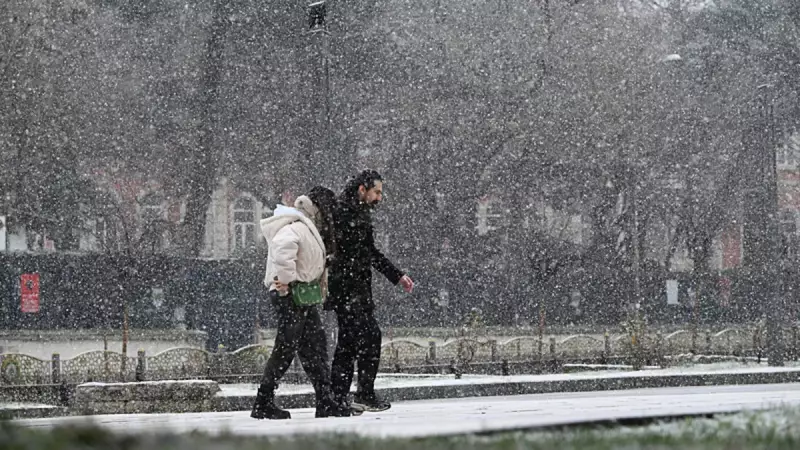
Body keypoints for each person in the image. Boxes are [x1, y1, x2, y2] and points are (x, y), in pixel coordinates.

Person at [251, 186, 350, 420]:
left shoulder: (305, 225)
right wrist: (285, 282)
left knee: (315, 346)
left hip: (301, 295)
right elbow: (282, 248)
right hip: (291, 295)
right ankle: (263, 401)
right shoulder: (296, 225)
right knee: (287, 348)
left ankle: (325, 400)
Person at [327, 170, 415, 413]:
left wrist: (397, 275)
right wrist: (394, 275)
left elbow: (369, 253)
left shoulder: (355, 213)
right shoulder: (347, 213)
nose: (379, 198)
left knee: (348, 343)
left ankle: (339, 396)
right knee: (370, 336)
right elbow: (360, 254)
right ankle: (362, 393)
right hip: (349, 289)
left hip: (350, 290)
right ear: (362, 190)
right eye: (377, 192)